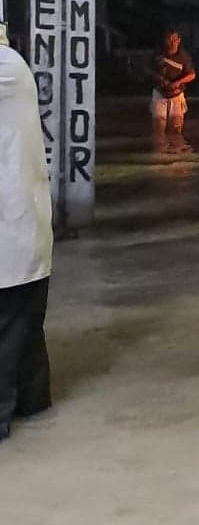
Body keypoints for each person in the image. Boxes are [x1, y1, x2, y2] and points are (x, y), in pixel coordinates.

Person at [0, 29, 54, 442]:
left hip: (12, 235)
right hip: (24, 232)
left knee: (12, 330)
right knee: (25, 333)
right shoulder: (12, 65)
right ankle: (35, 414)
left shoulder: (5, 68)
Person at [146, 29, 196, 142]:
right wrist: (159, 79)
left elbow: (192, 74)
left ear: (179, 41)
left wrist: (177, 83)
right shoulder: (157, 54)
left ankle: (175, 155)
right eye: (169, 40)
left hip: (177, 95)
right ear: (165, 41)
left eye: (174, 40)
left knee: (176, 130)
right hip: (160, 94)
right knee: (158, 128)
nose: (172, 43)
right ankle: (160, 154)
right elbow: (147, 69)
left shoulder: (184, 57)